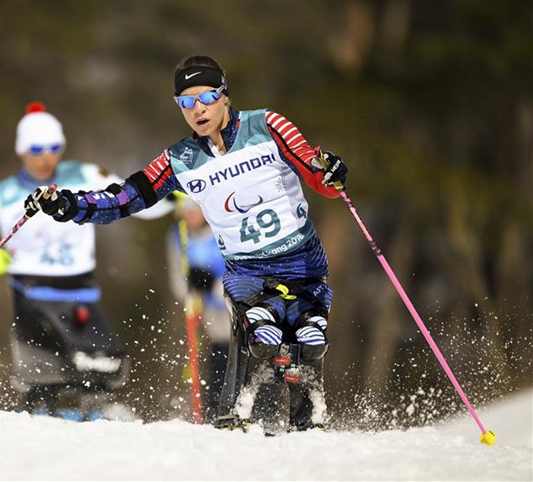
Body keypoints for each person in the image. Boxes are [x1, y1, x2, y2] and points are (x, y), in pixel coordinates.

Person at [25, 55, 348, 434]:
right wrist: (66, 204)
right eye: (186, 102)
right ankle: (239, 417)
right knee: (261, 337)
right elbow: (124, 198)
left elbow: (316, 172)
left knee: (308, 340)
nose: (198, 109)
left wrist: (331, 170)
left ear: (224, 95)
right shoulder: (180, 159)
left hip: (301, 262)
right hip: (249, 273)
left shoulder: (268, 125)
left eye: (206, 97)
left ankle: (307, 421)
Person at [0, 102, 172, 420]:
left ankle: (100, 415)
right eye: (37, 148)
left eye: (54, 147)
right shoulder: (3, 195)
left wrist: (176, 195)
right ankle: (42, 414)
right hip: (31, 295)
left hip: (79, 292)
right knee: (43, 377)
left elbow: (138, 203)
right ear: (22, 150)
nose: (46, 156)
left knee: (100, 368)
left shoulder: (86, 175)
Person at [166, 196, 229, 422]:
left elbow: (241, 276)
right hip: (206, 312)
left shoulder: (223, 230)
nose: (190, 214)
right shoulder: (178, 237)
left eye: (195, 208)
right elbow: (178, 279)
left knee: (231, 351)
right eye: (185, 209)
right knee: (213, 354)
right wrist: (190, 287)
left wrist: (212, 284)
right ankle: (211, 411)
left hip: (234, 308)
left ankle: (229, 407)